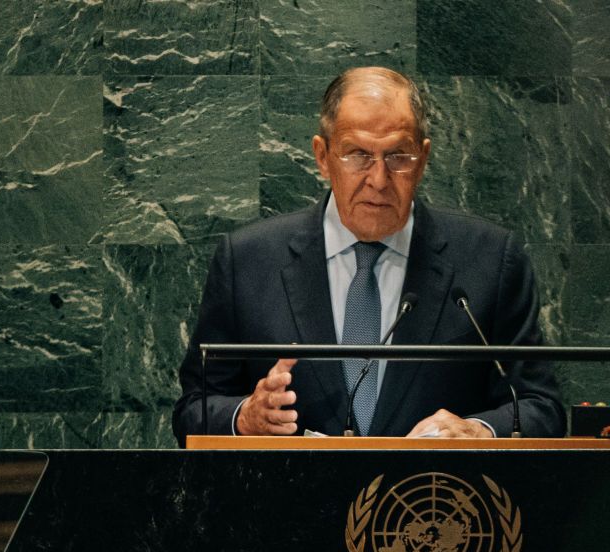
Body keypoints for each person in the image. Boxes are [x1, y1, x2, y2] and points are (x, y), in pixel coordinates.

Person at [172, 67, 564, 445]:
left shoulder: (490, 259)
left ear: (423, 158)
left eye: (398, 156)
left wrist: (479, 430)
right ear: (322, 156)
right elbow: (192, 411)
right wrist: (245, 416)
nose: (378, 180)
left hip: (427, 503)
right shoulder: (249, 261)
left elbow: (541, 407)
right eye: (358, 154)